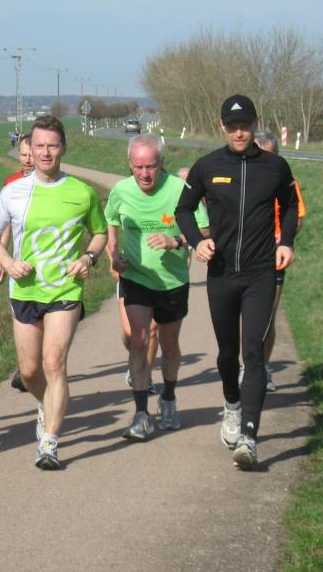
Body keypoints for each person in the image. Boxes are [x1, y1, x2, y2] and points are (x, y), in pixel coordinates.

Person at [175, 95, 298, 471]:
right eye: (232, 126)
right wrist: (197, 242)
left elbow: (290, 206)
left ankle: (249, 436)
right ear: (222, 127)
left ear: (255, 125)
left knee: (253, 353)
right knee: (227, 354)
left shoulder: (275, 166)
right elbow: (183, 210)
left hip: (261, 273)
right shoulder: (207, 166)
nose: (239, 132)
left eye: (245, 125)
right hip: (222, 274)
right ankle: (232, 405)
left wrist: (286, 242)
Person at [0, 115, 107, 470]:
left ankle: (49, 443)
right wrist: (8, 263)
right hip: (25, 291)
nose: (46, 152)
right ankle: (46, 403)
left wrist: (88, 258)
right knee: (29, 371)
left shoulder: (81, 192)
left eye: (52, 145)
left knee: (54, 363)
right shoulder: (13, 192)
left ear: (63, 148)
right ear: (30, 149)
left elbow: (99, 233)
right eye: (39, 146)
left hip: (65, 290)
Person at [105, 134, 209, 440]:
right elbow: (111, 222)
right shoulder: (121, 191)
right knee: (139, 340)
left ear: (161, 163)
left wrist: (175, 240)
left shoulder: (180, 189)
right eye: (138, 167)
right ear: (129, 164)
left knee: (169, 344)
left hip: (172, 280)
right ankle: (140, 414)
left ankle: (169, 398)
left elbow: (204, 230)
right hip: (136, 277)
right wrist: (113, 253)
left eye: (150, 166)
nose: (145, 174)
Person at [249, 131, 307, 392]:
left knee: (268, 315)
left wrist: (284, 238)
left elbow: (298, 217)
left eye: (274, 154)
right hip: (246, 255)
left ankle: (262, 367)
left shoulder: (286, 181)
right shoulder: (241, 178)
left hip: (274, 256)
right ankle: (247, 365)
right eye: (264, 154)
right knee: (245, 316)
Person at [0, 134, 33, 392]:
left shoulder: (56, 185)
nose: (28, 159)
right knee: (19, 316)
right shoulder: (10, 184)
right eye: (23, 154)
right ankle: (26, 366)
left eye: (32, 153)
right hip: (20, 265)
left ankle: (35, 367)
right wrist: (1, 258)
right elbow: (5, 225)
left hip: (52, 266)